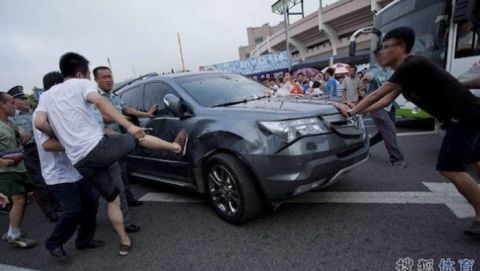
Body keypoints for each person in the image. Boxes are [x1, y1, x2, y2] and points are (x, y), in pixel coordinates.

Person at [34, 52, 188, 255]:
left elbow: (38, 123)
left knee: (112, 198)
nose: (90, 78)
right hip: (98, 149)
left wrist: (67, 138)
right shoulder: (81, 85)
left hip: (80, 161)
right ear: (80, 73)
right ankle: (176, 148)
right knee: (138, 137)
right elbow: (101, 102)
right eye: (89, 74)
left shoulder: (48, 96)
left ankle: (124, 242)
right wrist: (128, 126)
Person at [335, 27, 480, 236]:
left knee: (450, 167)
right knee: (474, 157)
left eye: (386, 47)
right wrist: (356, 112)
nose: (381, 52)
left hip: (464, 114)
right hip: (464, 114)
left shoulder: (412, 64)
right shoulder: (407, 71)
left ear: (401, 47)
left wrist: (352, 111)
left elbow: (378, 94)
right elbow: (385, 100)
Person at [35, 71, 102, 258]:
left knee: (91, 206)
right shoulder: (42, 114)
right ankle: (54, 242)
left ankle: (84, 240)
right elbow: (47, 144)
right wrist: (77, 144)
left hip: (77, 170)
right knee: (73, 211)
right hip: (58, 175)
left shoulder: (64, 109)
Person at [93, 66, 151, 207]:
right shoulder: (95, 98)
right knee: (112, 177)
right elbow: (101, 119)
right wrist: (120, 118)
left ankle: (128, 199)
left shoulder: (114, 97)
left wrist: (146, 114)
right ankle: (113, 206)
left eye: (110, 76)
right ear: (96, 80)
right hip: (105, 142)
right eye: (104, 77)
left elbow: (126, 109)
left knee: (123, 172)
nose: (108, 80)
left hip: (119, 141)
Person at [7, 85, 61, 222]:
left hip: (42, 148)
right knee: (38, 182)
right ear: (14, 102)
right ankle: (49, 212)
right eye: (21, 99)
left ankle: (57, 205)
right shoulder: (12, 119)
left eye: (26, 98)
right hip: (27, 151)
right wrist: (33, 130)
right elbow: (21, 140)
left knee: (50, 175)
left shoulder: (36, 112)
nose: (26, 101)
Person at [0, 92, 37, 248]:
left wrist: (32, 128)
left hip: (19, 167)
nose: (13, 105)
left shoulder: (11, 123)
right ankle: (14, 235)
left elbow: (23, 139)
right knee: (19, 201)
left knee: (21, 200)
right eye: (10, 102)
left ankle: (11, 232)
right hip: (6, 171)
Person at [363, 49, 406, 167]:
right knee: (389, 129)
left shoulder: (392, 70)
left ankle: (365, 146)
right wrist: (367, 78)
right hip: (375, 105)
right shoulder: (375, 70)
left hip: (390, 105)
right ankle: (396, 159)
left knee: (384, 133)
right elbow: (369, 76)